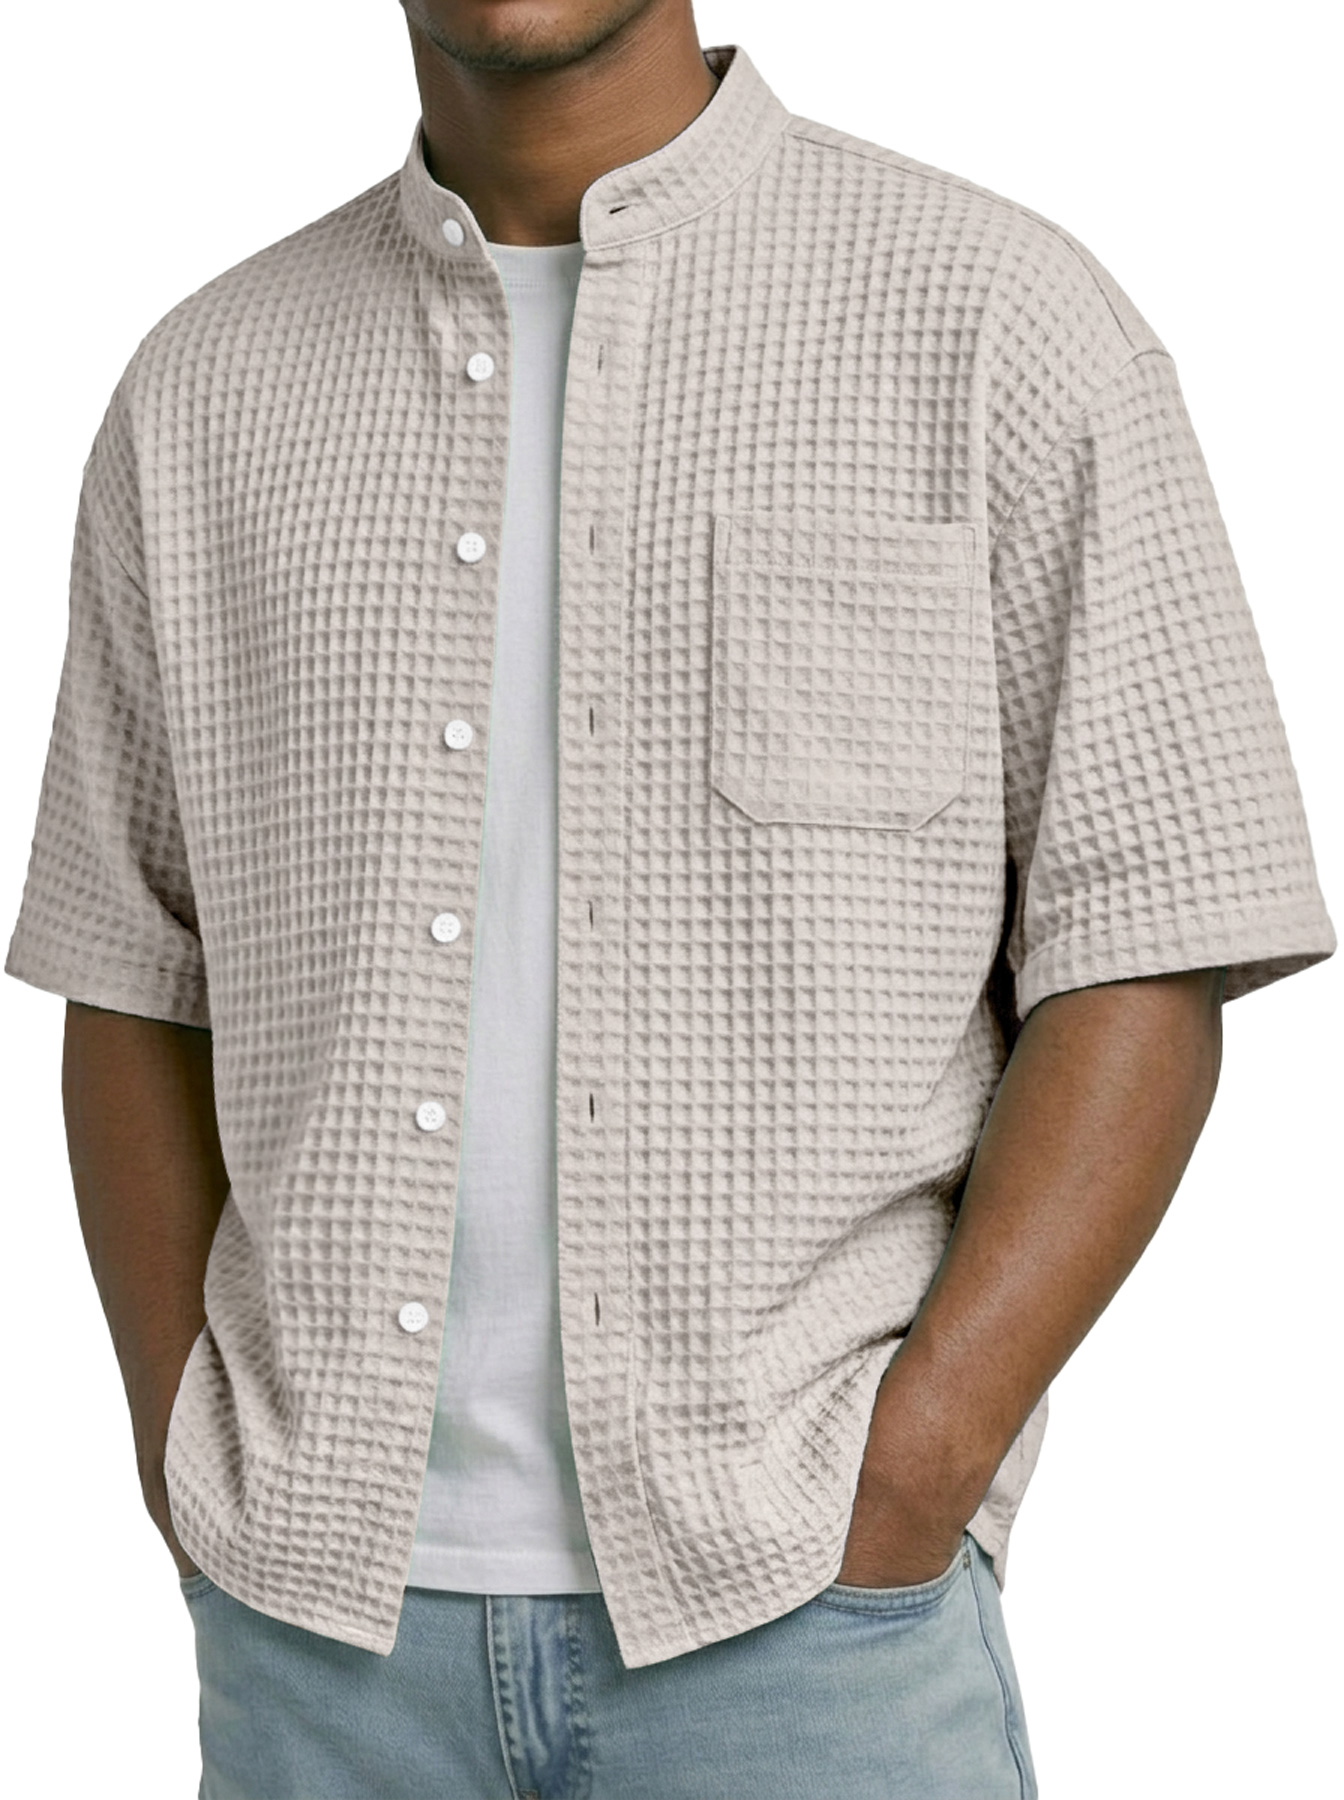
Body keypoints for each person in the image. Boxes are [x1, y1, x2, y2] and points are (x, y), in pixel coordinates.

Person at [5, 1, 1335, 1793]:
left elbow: (1149, 946)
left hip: (805, 1627)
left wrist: (919, 1463)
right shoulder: (202, 390)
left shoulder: (1001, 323)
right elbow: (131, 967)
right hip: (317, 1650)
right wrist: (185, 1450)